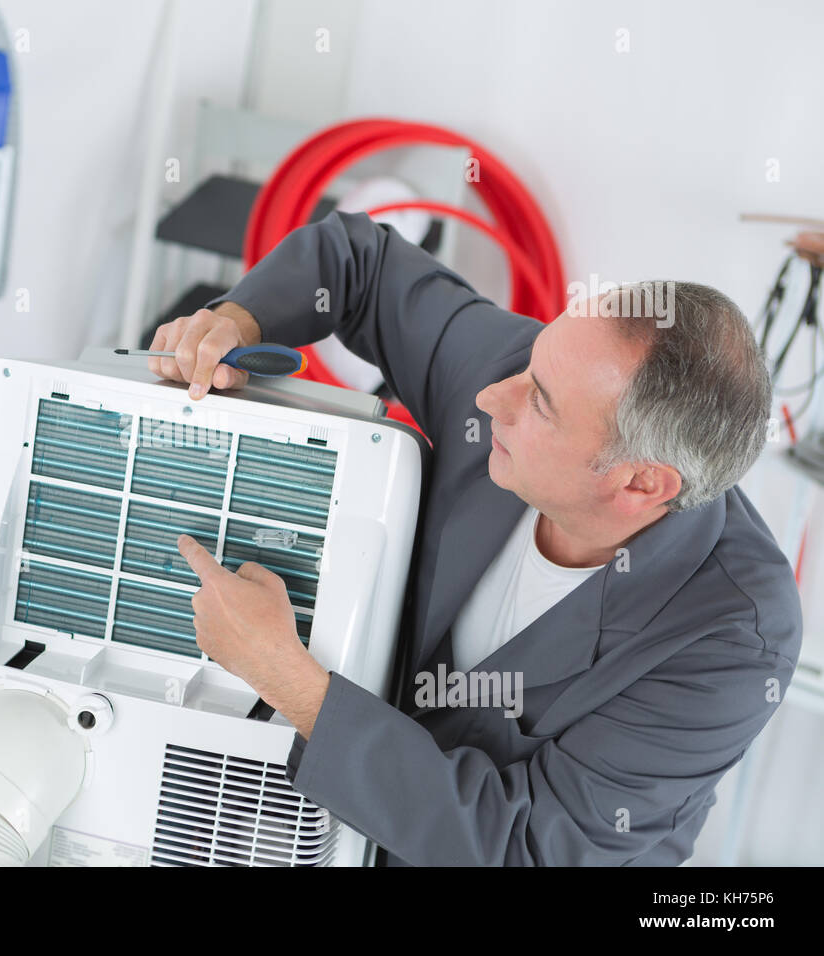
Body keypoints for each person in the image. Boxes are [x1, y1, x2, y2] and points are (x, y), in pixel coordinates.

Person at [152, 209, 802, 865]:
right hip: (328, 812)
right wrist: (237, 320)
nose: (492, 396)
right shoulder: (518, 370)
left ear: (640, 484)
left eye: (540, 403)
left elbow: (523, 848)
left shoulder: (732, 640)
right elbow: (359, 262)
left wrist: (287, 678)